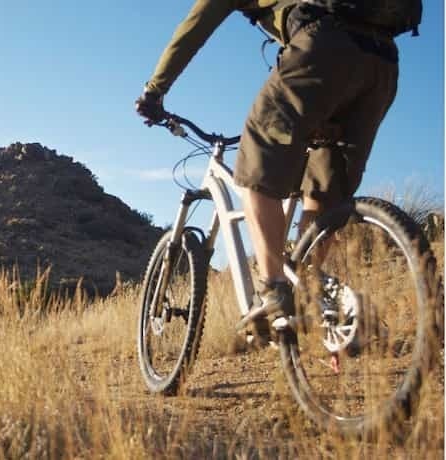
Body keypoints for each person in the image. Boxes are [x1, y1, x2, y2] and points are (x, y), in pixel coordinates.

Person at [135, 0, 400, 344]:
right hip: (383, 65)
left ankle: (274, 291)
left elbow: (195, 27)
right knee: (324, 193)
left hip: (327, 44)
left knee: (257, 154)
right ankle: (311, 292)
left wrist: (154, 91)